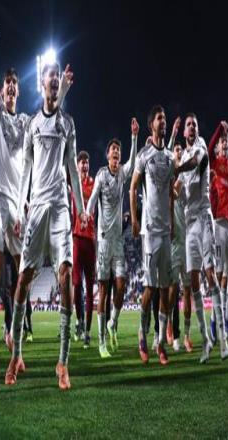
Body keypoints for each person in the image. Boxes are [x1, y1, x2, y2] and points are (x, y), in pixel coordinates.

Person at [0, 24, 72, 378]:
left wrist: (62, 88)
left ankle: (11, 336)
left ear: (20, 89)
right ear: (2, 90)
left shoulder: (28, 121)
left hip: (19, 206)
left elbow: (51, 112)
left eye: (16, 84)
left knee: (24, 276)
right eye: (8, 84)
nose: (12, 88)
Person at [4, 60, 86, 390]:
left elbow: (73, 168)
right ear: (41, 83)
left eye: (57, 76)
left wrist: (81, 208)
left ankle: (63, 362)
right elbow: (25, 169)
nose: (54, 79)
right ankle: (16, 355)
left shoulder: (68, 123)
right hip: (36, 207)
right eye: (49, 75)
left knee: (65, 275)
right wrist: (19, 210)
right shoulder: (32, 124)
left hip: (61, 207)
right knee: (24, 278)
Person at [176, 113, 228, 363]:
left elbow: (194, 163)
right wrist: (165, 185)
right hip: (189, 224)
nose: (192, 128)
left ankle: (223, 338)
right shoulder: (182, 157)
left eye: (194, 125)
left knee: (210, 274)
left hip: (204, 217)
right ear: (183, 131)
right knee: (193, 282)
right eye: (189, 125)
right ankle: (205, 339)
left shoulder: (200, 148)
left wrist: (175, 168)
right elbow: (177, 188)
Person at [130, 107, 179, 365]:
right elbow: (133, 187)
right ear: (151, 124)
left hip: (165, 230)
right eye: (160, 119)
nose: (164, 121)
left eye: (165, 118)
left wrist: (172, 221)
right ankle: (142, 333)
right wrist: (135, 218)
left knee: (166, 287)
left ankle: (159, 342)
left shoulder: (170, 157)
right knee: (150, 287)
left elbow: (171, 192)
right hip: (149, 231)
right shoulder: (144, 155)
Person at [86, 118, 138, 358]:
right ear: (108, 155)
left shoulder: (122, 174)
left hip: (119, 241)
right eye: (113, 150)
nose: (116, 153)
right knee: (103, 290)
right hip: (104, 240)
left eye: (119, 150)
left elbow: (133, 163)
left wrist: (134, 137)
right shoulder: (101, 175)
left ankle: (112, 322)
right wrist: (87, 214)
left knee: (121, 284)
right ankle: (101, 342)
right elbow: (93, 198)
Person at [207, 120, 228, 343]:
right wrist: (219, 128)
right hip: (218, 223)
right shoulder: (214, 164)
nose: (225, 144)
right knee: (219, 276)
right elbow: (208, 148)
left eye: (227, 142)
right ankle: (214, 320)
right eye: (222, 142)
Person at [169, 140, 192, 353]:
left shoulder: (187, 177)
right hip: (175, 241)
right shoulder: (171, 178)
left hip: (189, 239)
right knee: (174, 289)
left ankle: (186, 335)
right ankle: (174, 334)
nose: (178, 152)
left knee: (188, 290)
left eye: (180, 150)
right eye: (176, 150)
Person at [71, 151, 96, 349]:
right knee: (77, 284)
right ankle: (79, 321)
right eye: (82, 162)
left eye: (87, 163)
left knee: (89, 287)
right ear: (77, 165)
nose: (85, 165)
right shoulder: (73, 185)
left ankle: (87, 331)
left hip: (91, 239)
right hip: (76, 239)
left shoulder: (94, 184)